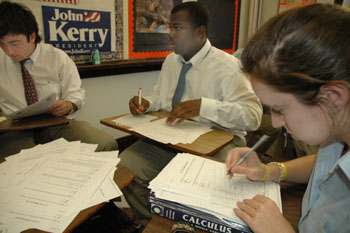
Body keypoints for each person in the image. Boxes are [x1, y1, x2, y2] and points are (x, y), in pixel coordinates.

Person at [120, 1, 262, 226]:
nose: (170, 34)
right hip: (173, 139)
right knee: (125, 165)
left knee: (213, 185)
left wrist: (204, 107)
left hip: (219, 141)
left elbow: (252, 116)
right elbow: (162, 97)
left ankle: (195, 225)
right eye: (169, 27)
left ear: (200, 32)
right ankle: (157, 224)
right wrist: (147, 102)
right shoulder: (171, 61)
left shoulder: (228, 66)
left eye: (177, 28)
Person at [226, 3, 350, 233]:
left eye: (280, 109)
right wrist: (269, 171)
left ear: (332, 96)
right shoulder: (338, 134)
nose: (275, 123)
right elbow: (326, 163)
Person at [0, 1, 118, 160]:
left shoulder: (57, 57)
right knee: (20, 166)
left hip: (57, 125)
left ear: (32, 36)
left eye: (14, 43)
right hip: (16, 131)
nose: (9, 51)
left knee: (105, 143)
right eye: (2, 44)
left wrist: (69, 105)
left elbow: (76, 95)